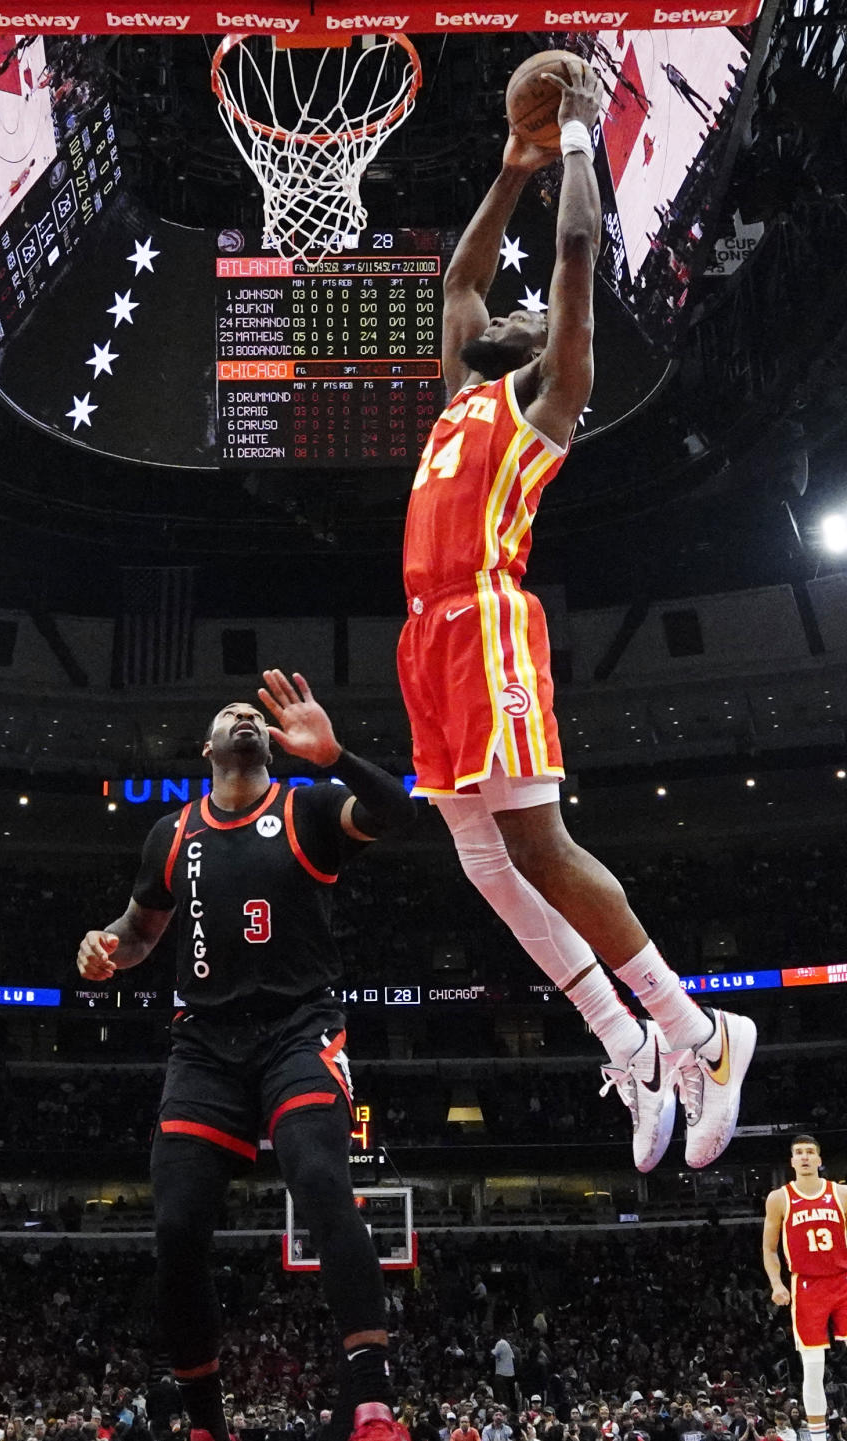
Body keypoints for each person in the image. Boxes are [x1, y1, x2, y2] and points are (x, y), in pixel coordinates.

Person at [396, 55, 756, 1174]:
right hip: (426, 634)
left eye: (521, 314)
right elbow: (458, 282)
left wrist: (581, 145)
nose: (497, 313)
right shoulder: (461, 393)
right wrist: (508, 171)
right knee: (479, 858)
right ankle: (627, 1043)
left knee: (539, 845)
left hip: (492, 620)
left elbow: (573, 257)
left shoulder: (547, 398)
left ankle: (700, 1031)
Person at [76, 671, 415, 1441]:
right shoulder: (171, 833)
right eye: (230, 712)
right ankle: (206, 1424)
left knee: (324, 1178)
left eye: (251, 715)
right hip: (203, 1047)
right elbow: (138, 933)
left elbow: (396, 811)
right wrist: (102, 948)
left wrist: (335, 756)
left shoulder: (308, 806)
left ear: (267, 744)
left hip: (298, 1027)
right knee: (178, 1228)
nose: (244, 716)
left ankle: (369, 1400)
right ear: (207, 750)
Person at [763, 1133, 847, 1441]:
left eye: (810, 1152)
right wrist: (776, 1283)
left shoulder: (840, 1194)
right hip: (806, 1286)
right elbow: (770, 1249)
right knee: (813, 1366)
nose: (805, 1156)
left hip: (843, 1280)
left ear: (819, 1159)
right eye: (799, 1152)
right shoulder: (780, 1198)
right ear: (792, 1161)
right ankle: (818, 1437)